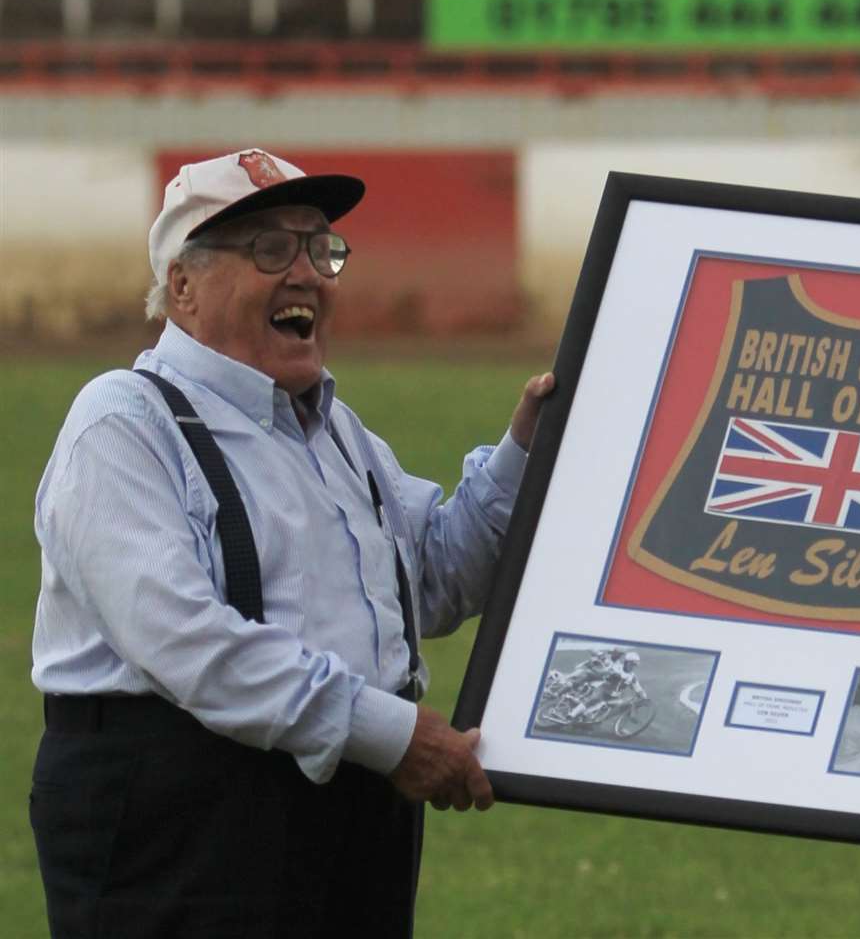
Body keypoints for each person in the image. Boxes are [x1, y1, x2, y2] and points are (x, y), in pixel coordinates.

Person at [30, 148, 555, 938]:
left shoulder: (336, 430)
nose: (308, 271)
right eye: (270, 248)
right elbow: (186, 641)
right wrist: (391, 734)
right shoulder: (122, 423)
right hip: (182, 823)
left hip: (356, 806)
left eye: (320, 246)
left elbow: (435, 577)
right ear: (182, 285)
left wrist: (526, 454)